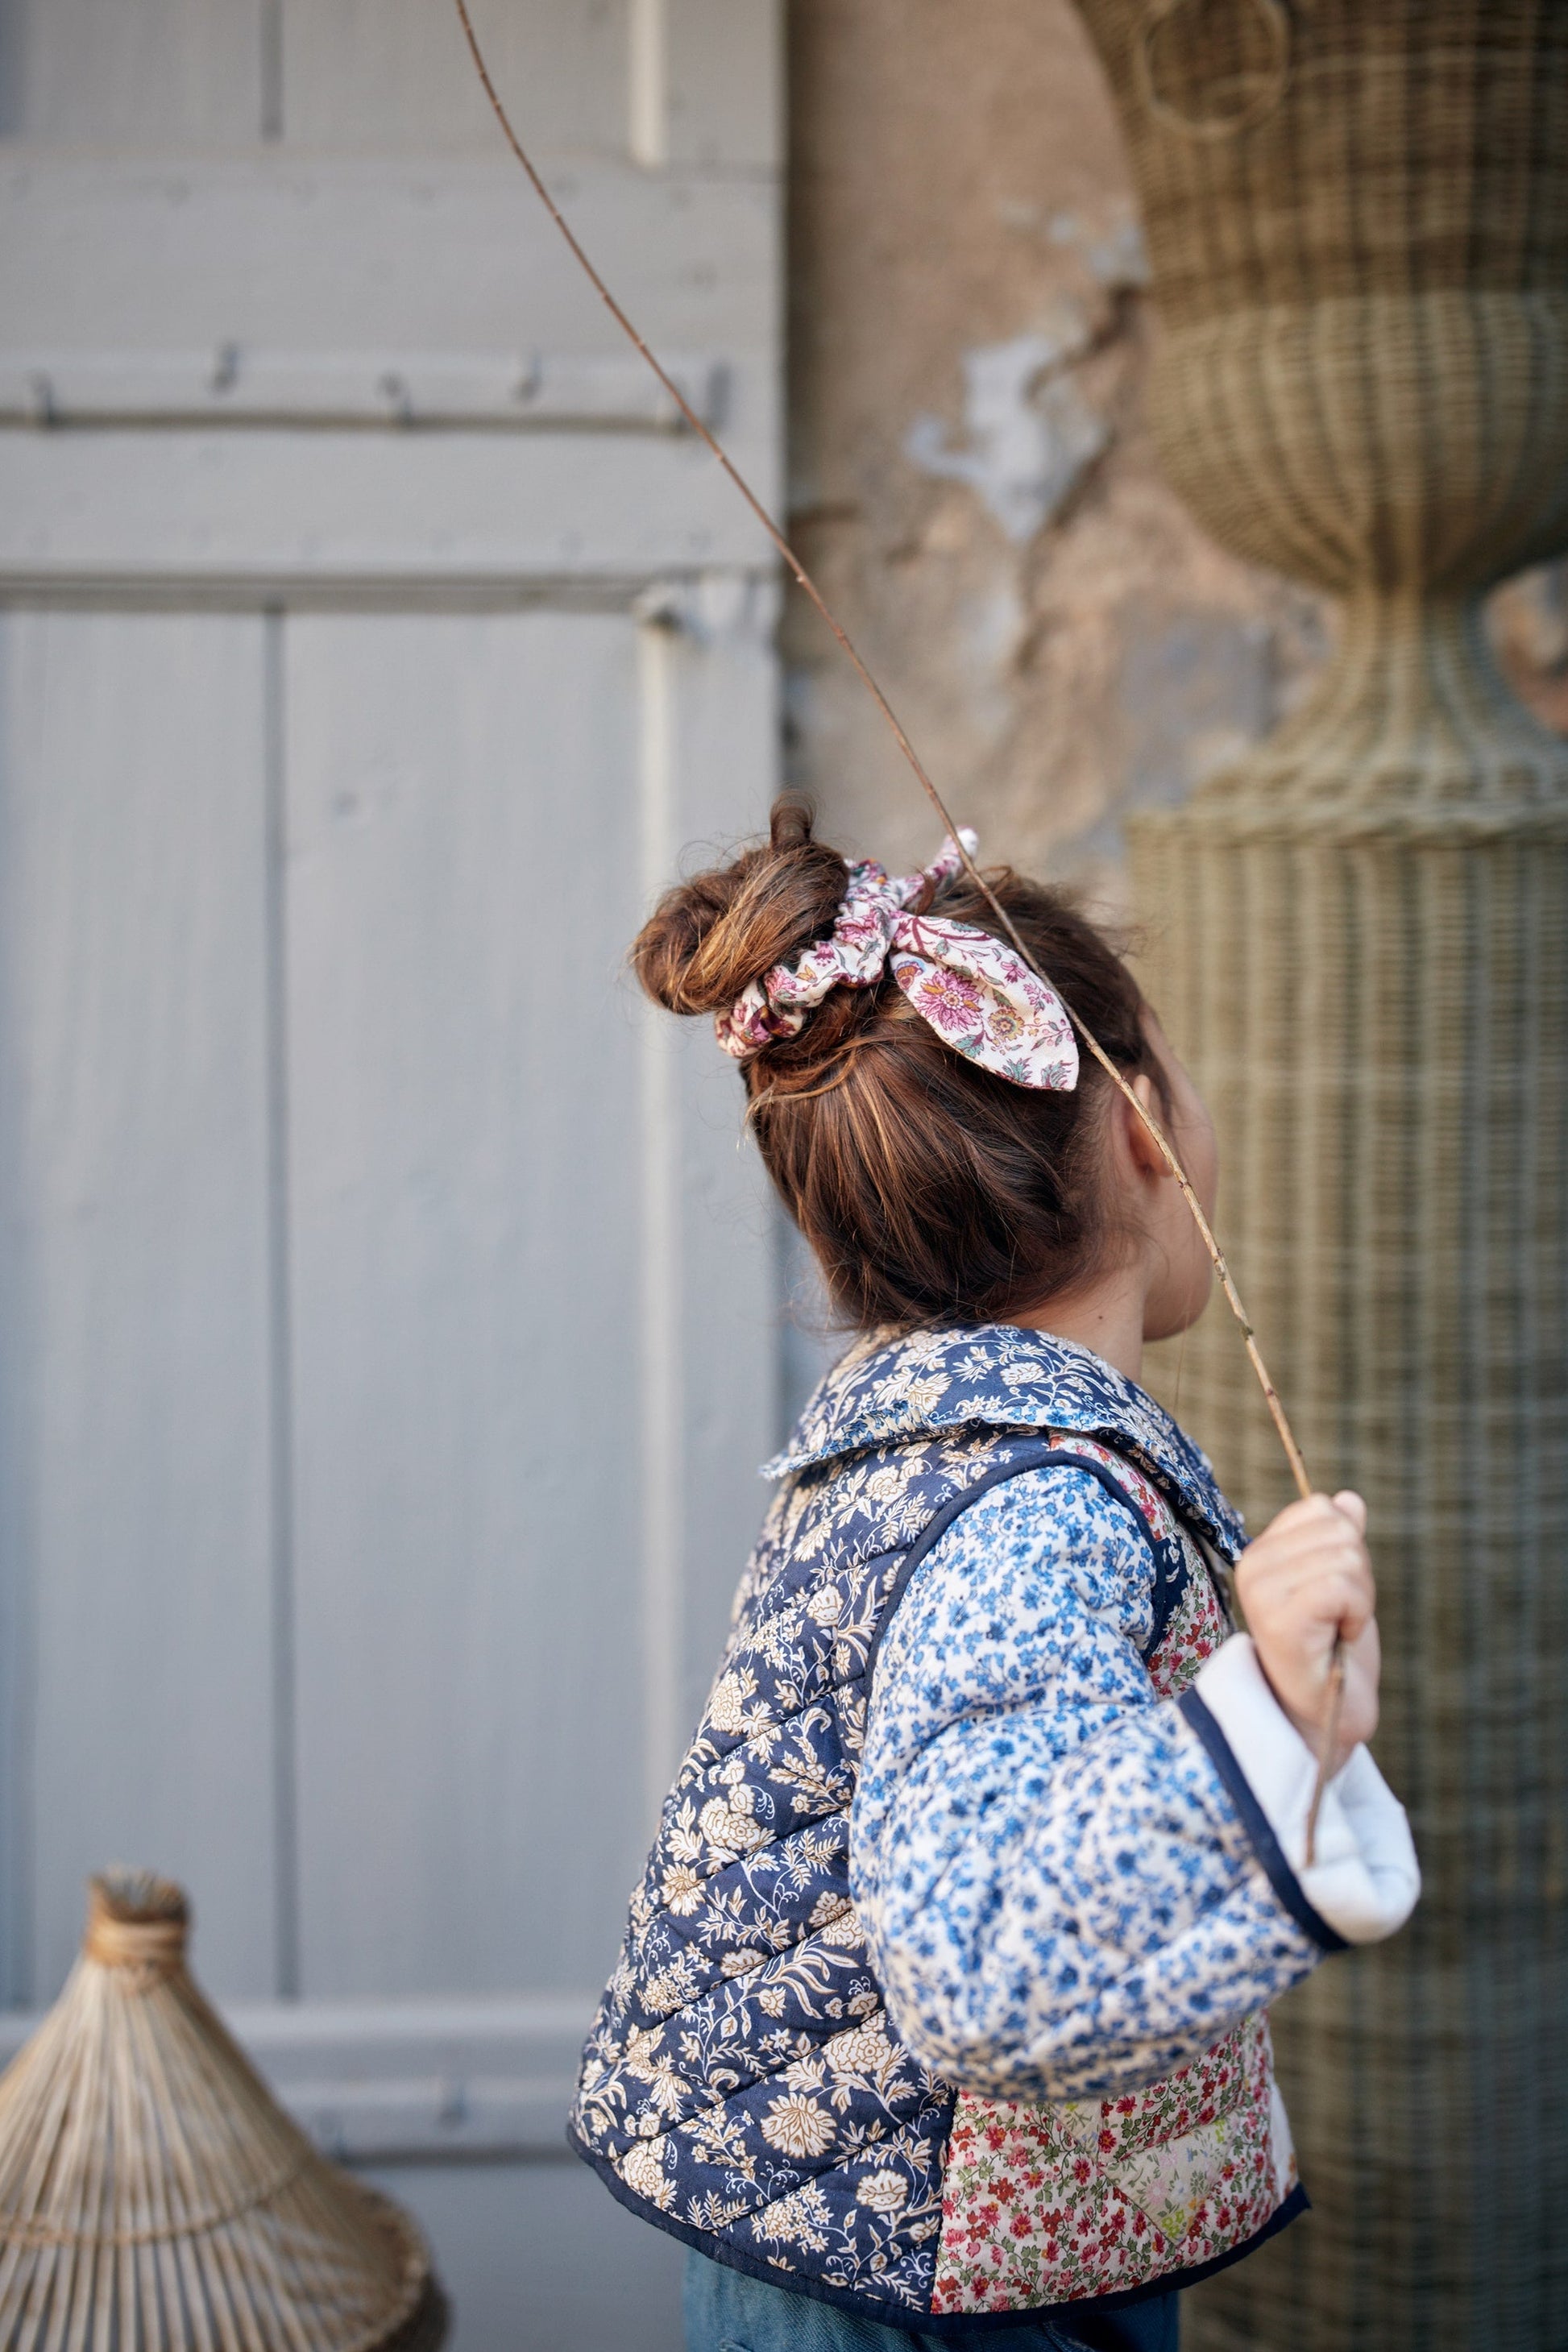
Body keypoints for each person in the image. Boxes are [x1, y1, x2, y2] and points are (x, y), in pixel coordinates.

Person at [569, 805, 1419, 2351]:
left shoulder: (923, 1436)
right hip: (917, 2294)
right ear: (1143, 1124)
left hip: (883, 2241)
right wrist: (1266, 1712)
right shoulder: (1032, 1514)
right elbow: (982, 1968)